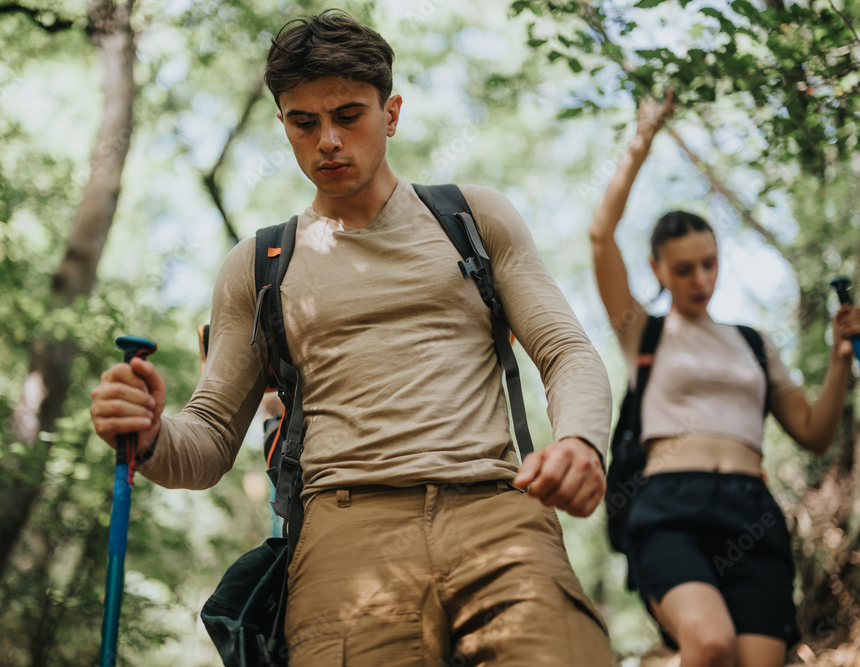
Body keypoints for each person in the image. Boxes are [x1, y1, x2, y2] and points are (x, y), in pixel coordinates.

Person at [92, 10, 615, 666]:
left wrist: (581, 442)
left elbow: (566, 351)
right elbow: (208, 439)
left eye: (349, 114)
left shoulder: (474, 218)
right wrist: (149, 435)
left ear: (390, 113)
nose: (328, 140)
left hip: (497, 511)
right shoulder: (257, 267)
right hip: (344, 534)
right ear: (283, 124)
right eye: (304, 122)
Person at [589, 93, 860, 667]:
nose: (700, 278)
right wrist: (643, 138)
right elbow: (600, 236)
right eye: (683, 268)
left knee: (756, 662)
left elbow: (813, 431)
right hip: (668, 505)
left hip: (750, 509)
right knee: (710, 646)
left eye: (709, 263)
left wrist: (841, 357)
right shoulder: (646, 333)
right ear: (658, 270)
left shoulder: (753, 343)